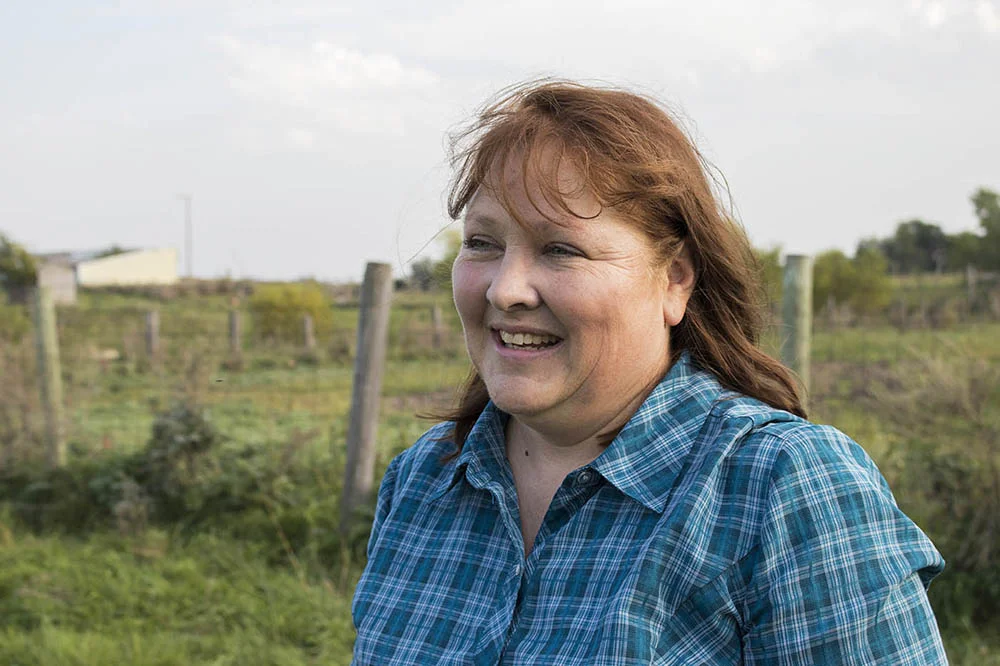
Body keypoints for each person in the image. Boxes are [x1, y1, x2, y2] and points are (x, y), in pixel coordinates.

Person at [351, 80, 947, 665]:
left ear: (674, 280)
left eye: (561, 249)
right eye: (483, 242)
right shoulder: (425, 480)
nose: (506, 289)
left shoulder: (782, 487)